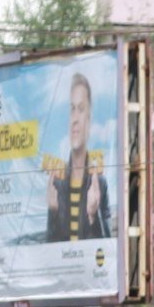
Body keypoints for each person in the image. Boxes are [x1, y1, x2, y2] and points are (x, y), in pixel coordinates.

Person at [46, 70, 109, 243]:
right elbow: (48, 254)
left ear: (89, 118)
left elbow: (109, 250)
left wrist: (92, 216)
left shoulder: (99, 184)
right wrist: (52, 212)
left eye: (81, 109)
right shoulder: (57, 184)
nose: (75, 118)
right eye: (72, 109)